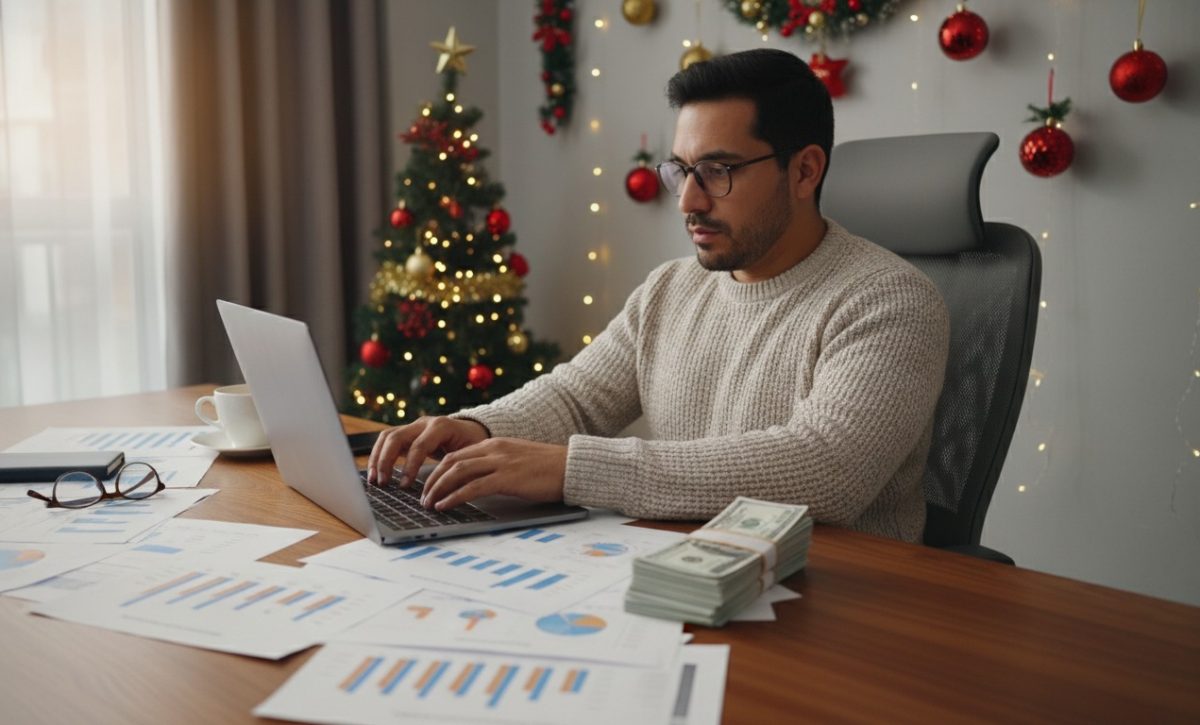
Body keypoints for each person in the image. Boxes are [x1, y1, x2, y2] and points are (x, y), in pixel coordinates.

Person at [368, 48, 949, 543]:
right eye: (682, 171)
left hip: (840, 604)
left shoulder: (891, 300)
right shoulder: (672, 287)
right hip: (679, 572)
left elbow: (826, 470)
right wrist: (479, 428)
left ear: (804, 172)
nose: (688, 202)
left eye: (718, 171)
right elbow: (577, 400)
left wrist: (573, 468)